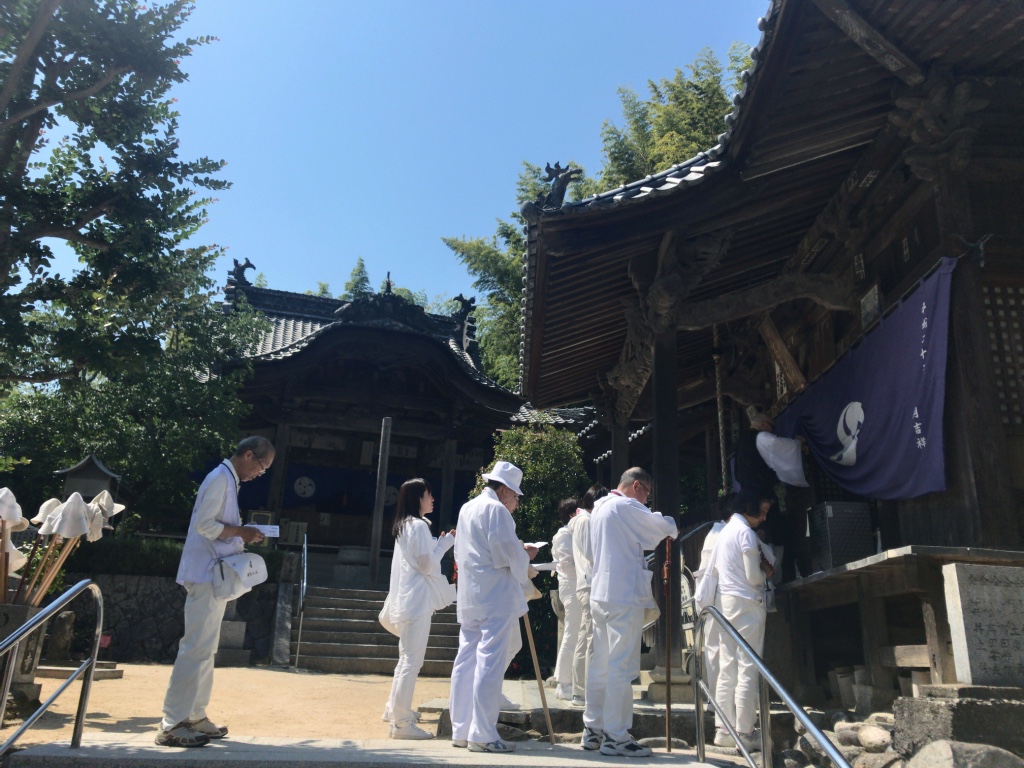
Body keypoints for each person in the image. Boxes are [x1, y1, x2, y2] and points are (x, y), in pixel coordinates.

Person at [156, 436, 272, 748]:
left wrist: (239, 533)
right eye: (261, 467)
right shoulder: (221, 479)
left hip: (210, 572)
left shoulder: (225, 479)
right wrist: (241, 532)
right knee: (196, 647)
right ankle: (172, 723)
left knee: (205, 649)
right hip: (206, 573)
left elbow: (210, 526)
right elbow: (205, 526)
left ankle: (194, 715)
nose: (259, 473)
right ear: (248, 455)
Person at [581, 468, 678, 758]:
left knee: (601, 665)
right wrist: (668, 521)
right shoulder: (625, 505)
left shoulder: (598, 509)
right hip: (622, 594)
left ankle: (593, 729)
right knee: (621, 667)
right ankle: (616, 736)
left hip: (601, 593)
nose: (647, 500)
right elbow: (660, 529)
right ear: (636, 486)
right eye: (647, 493)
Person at [448, 461, 536, 753]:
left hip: (471, 592)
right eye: (516, 496)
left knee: (467, 659)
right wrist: (525, 555)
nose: (516, 501)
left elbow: (463, 551)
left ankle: (461, 729)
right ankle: (483, 733)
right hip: (495, 594)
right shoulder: (497, 510)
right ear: (505, 489)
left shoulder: (467, 507)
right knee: (489, 661)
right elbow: (505, 554)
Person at [382, 478, 455, 739]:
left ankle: (394, 711)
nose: (432, 499)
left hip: (407, 600)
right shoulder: (419, 526)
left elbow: (419, 562)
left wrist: (439, 545)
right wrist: (445, 546)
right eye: (428, 494)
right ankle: (401, 723)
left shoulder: (404, 526)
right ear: (418, 498)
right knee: (412, 662)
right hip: (418, 602)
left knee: (405, 661)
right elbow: (427, 566)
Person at [711, 498, 773, 753]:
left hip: (726, 603)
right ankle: (745, 731)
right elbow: (753, 576)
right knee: (748, 667)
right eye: (762, 511)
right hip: (747, 603)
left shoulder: (724, 532)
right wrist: (766, 571)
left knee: (728, 667)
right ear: (749, 509)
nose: (764, 518)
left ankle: (723, 729)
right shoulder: (745, 533)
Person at [570, 483, 607, 707]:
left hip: (588, 583)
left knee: (586, 636)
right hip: (589, 583)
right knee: (589, 638)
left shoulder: (583, 520)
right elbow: (592, 553)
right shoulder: (585, 521)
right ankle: (583, 691)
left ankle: (581, 690)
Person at [551, 497, 581, 702]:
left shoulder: (576, 533)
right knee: (572, 631)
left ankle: (575, 680)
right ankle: (563, 682)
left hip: (580, 584)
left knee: (580, 634)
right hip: (571, 585)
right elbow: (567, 563)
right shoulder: (563, 535)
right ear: (572, 515)